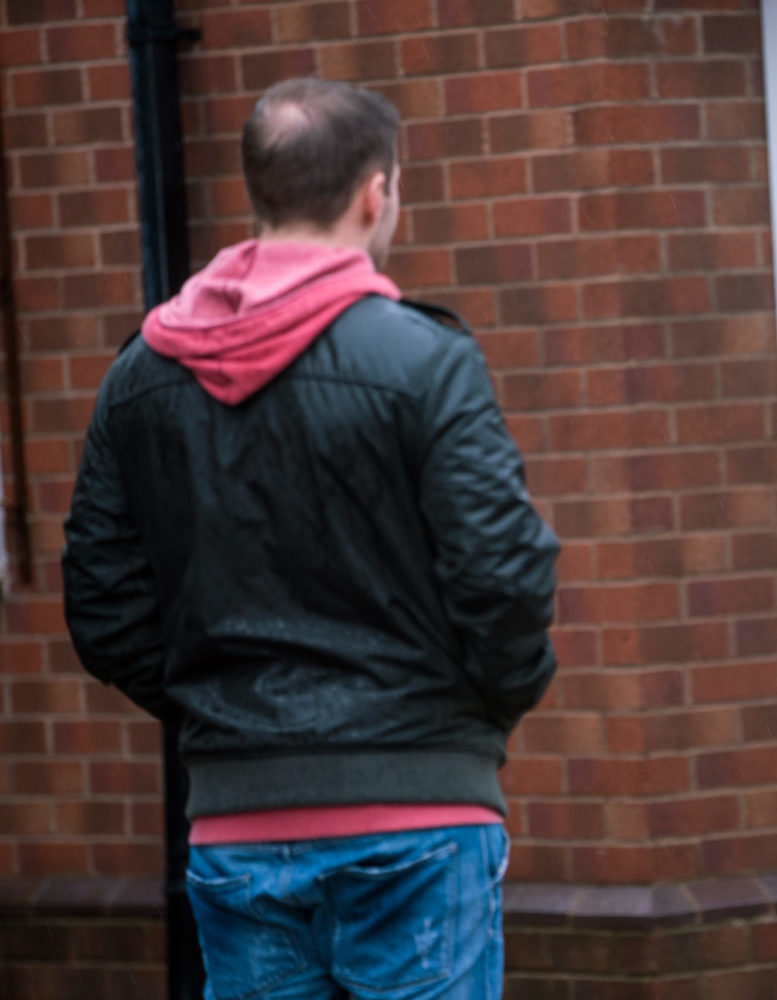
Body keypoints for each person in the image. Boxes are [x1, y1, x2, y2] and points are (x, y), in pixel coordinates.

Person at [62, 77, 558, 999]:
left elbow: (103, 605)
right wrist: (479, 714)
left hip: (235, 825)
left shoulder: (139, 376)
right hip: (419, 817)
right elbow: (506, 575)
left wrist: (228, 717)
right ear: (377, 193)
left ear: (264, 190)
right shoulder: (425, 360)